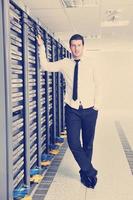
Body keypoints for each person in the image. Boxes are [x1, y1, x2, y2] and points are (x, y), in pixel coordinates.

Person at [37, 34, 102, 189]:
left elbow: (98, 84)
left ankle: (85, 175)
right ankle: (90, 170)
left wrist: (97, 105)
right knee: (73, 142)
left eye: (79, 45)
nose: (76, 48)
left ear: (83, 46)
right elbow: (46, 66)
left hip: (89, 109)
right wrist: (41, 47)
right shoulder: (65, 63)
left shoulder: (91, 63)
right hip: (72, 109)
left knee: (88, 144)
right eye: (73, 45)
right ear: (70, 47)